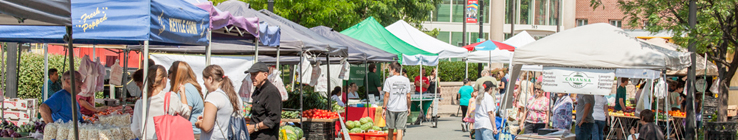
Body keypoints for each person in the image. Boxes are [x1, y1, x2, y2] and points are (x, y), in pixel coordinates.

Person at [131, 65, 191, 139]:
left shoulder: (139, 103)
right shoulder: (170, 97)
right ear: (164, 79)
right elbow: (186, 114)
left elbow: (135, 130)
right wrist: (183, 94)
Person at [195, 65, 243, 140]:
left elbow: (206, 127)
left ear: (210, 79)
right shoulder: (235, 96)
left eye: (204, 80)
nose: (204, 84)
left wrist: (198, 123)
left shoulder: (213, 96)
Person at [245, 62, 282, 140]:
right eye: (251, 74)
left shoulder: (271, 92)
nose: (252, 77)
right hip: (255, 136)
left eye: (255, 74)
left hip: (266, 137)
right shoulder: (258, 90)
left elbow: (274, 118)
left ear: (265, 75)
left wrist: (255, 127)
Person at [169, 61, 205, 136]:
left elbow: (185, 115)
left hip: (190, 133)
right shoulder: (190, 87)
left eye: (170, 72)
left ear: (177, 74)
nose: (168, 76)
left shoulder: (186, 89)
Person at [382, 62, 412, 140]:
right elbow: (408, 96)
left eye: (389, 69)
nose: (389, 71)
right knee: (400, 129)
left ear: (394, 70)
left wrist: (383, 108)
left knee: (390, 129)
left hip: (391, 108)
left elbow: (386, 95)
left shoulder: (389, 80)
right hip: (402, 108)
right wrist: (409, 107)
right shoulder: (406, 80)